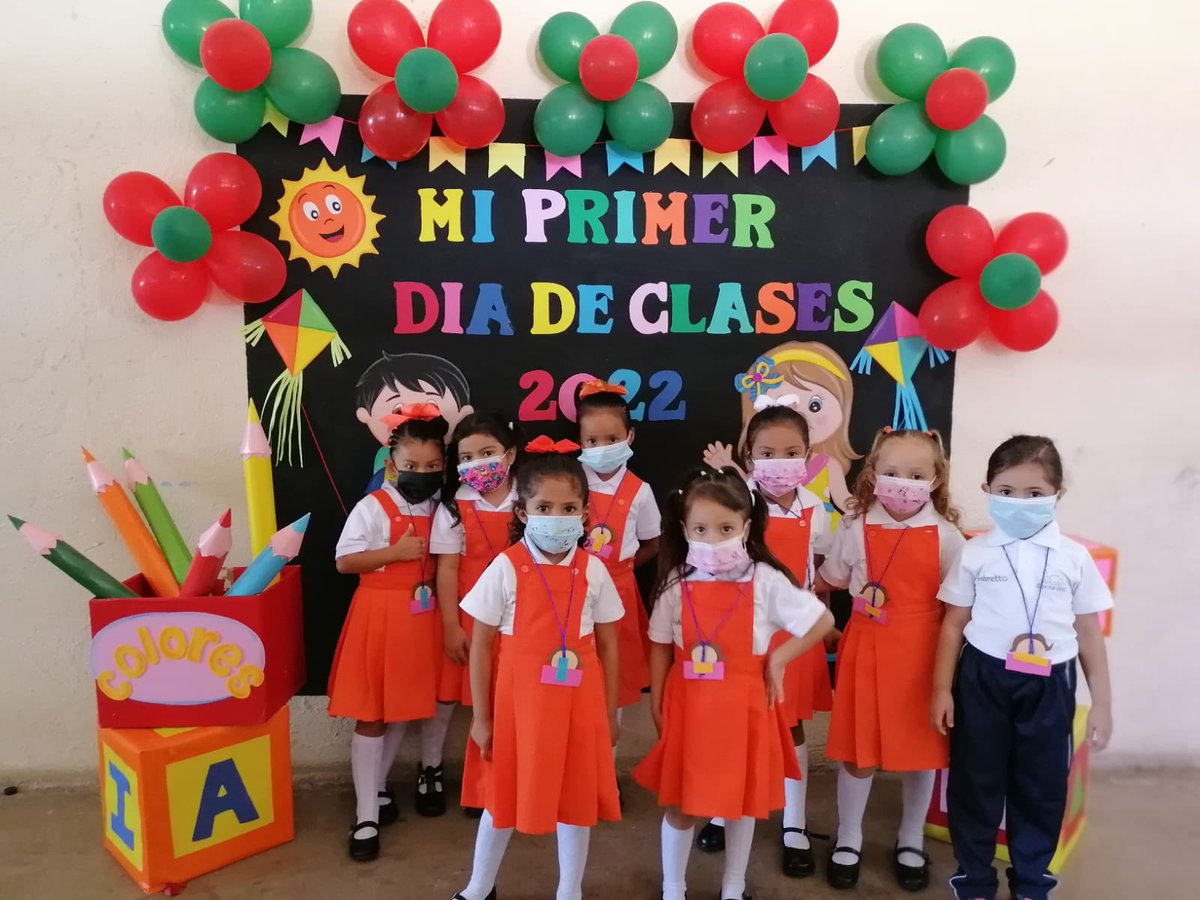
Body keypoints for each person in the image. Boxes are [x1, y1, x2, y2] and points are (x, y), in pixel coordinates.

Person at [634, 467, 834, 900]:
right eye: (701, 529)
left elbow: (822, 619)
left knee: (743, 802)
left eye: (725, 528)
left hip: (747, 707)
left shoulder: (765, 580)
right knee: (683, 802)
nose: (712, 539)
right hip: (690, 708)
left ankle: (734, 886)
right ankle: (673, 888)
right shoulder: (674, 585)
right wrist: (656, 702)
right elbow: (659, 646)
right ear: (685, 530)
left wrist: (779, 658)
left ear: (745, 526)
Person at [933, 435, 1113, 900]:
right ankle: (974, 877)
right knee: (976, 780)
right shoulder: (975, 553)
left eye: (1034, 494)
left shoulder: (1074, 558)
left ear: (1057, 495)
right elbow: (954, 624)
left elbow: (1089, 634)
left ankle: (1032, 879)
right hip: (982, 678)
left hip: (1050, 683)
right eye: (1006, 491)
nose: (1019, 503)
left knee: (1042, 784)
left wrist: (1103, 706)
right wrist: (941, 689)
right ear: (987, 489)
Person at [452, 437, 623, 900]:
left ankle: (570, 890)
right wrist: (483, 719)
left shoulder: (593, 570)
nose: (557, 517)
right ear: (523, 512)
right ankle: (478, 887)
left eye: (569, 508)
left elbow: (609, 645)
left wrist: (609, 714)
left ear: (586, 513)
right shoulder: (506, 567)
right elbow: (482, 644)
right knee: (503, 798)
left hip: (578, 707)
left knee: (575, 799)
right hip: (517, 709)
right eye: (544, 506)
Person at [813, 427, 965, 891]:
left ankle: (910, 836)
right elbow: (831, 578)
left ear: (935, 479)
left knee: (922, 752)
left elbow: (957, 606)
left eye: (916, 474)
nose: (903, 482)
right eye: (892, 472)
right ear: (873, 474)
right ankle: (850, 835)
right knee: (859, 751)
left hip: (924, 652)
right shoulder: (854, 526)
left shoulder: (948, 537)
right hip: (866, 646)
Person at [695, 398, 834, 879]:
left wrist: (824, 627)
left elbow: (820, 572)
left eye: (791, 452)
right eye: (767, 453)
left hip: (795, 637)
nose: (780, 463)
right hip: (744, 633)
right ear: (750, 456)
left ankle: (794, 824)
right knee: (735, 724)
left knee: (790, 725)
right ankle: (720, 808)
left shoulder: (818, 508)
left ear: (808, 453)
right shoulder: (739, 502)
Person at [327, 405, 452, 862]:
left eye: (433, 466)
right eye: (412, 466)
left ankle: (379, 789)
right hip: (378, 617)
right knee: (373, 712)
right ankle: (365, 816)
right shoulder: (372, 506)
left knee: (401, 709)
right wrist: (395, 552)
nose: (422, 474)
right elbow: (344, 561)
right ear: (391, 463)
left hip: (422, 621)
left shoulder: (443, 509)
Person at [431, 413, 521, 817]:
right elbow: (447, 568)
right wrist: (451, 626)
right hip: (471, 617)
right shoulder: (452, 509)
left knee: (511, 698)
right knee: (471, 700)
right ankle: (479, 787)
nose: (478, 464)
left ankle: (514, 778)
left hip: (520, 618)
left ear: (510, 455)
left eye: (487, 453)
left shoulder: (530, 501)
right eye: (467, 457)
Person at [574, 379, 661, 745]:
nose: (601, 448)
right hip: (571, 592)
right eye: (592, 441)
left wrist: (620, 570)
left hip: (619, 594)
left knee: (616, 678)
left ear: (630, 436)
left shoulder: (640, 491)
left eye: (612, 439)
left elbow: (653, 543)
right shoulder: (572, 482)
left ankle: (606, 777)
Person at [354, 352, 474, 492]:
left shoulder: (463, 470)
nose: (417, 414)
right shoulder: (373, 505)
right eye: (397, 409)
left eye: (432, 465)